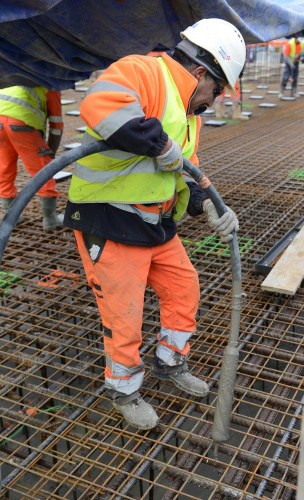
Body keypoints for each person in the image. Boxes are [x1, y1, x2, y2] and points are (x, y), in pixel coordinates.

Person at [64, 18, 246, 430]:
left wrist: (206, 203)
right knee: (124, 314)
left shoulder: (188, 113)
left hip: (154, 223)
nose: (215, 100)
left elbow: (186, 167)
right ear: (201, 71)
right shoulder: (144, 71)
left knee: (184, 288)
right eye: (217, 90)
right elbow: (101, 105)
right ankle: (123, 389)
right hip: (109, 218)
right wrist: (158, 143)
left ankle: (169, 361)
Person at [0, 86, 64, 229]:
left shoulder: (15, 76)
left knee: (4, 168)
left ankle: (11, 218)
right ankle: (50, 219)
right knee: (43, 171)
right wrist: (50, 152)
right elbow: (56, 124)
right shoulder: (52, 85)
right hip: (21, 124)